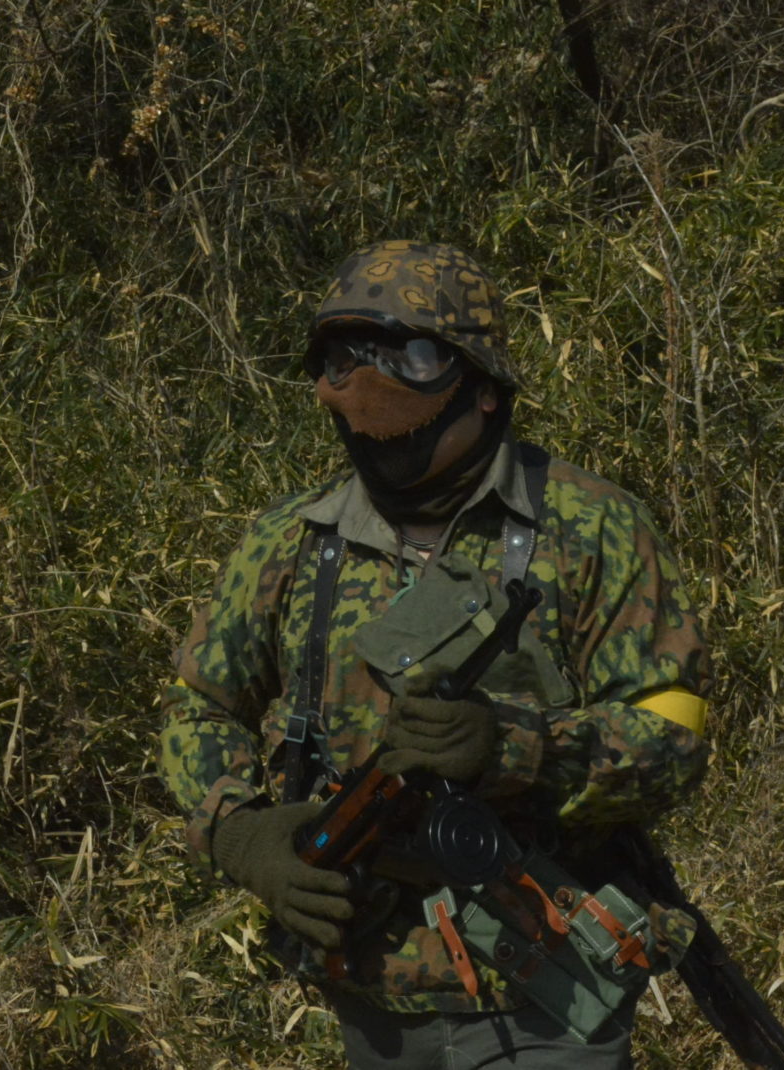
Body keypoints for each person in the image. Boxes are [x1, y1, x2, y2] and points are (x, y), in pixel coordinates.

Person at [157, 240, 712, 1068]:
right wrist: (238, 832)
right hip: (370, 994)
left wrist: (515, 749)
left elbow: (675, 740)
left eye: (410, 357)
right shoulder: (291, 543)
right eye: (344, 359)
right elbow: (197, 706)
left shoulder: (593, 527)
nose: (369, 385)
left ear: (482, 386)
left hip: (551, 990)